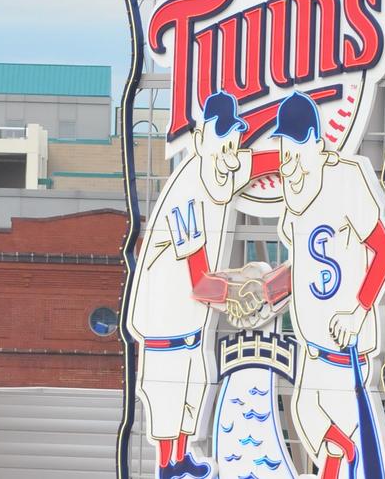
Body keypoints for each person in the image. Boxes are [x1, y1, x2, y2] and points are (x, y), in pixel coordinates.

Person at [126, 91, 279, 479]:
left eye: (234, 140)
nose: (232, 151)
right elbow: (199, 283)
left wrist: (301, 157)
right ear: (199, 140)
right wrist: (242, 293)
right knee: (169, 399)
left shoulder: (219, 168)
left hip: (188, 324)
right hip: (164, 324)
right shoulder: (186, 195)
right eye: (223, 140)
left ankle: (180, 458)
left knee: (192, 393)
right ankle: (166, 466)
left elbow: (256, 162)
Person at [273, 92, 385, 479]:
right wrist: (267, 292)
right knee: (306, 415)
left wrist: (359, 310)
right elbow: (302, 268)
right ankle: (348, 454)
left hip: (345, 349)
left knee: (330, 434)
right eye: (283, 144)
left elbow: (384, 250)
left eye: (295, 144)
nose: (288, 154)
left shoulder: (344, 178)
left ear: (315, 142)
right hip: (313, 349)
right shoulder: (294, 192)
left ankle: (346, 457)